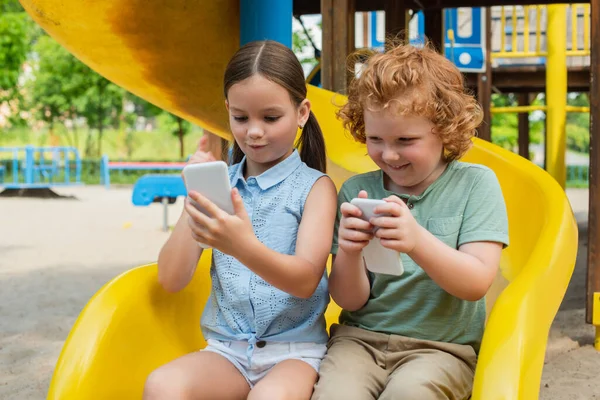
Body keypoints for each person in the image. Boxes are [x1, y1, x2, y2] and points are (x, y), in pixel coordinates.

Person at [311, 40, 510, 400]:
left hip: (441, 350)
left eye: (406, 139)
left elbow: (477, 282)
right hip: (359, 343)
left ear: (446, 130)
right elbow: (348, 300)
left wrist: (416, 240)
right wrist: (352, 253)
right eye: (375, 138)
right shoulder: (358, 190)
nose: (388, 154)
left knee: (409, 395)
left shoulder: (476, 184)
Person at [143, 40, 337, 400]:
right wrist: (195, 203)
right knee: (162, 385)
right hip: (227, 351)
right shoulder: (222, 184)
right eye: (241, 117)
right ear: (228, 111)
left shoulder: (315, 188)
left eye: (271, 117)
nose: (254, 131)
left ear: (302, 113)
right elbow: (171, 279)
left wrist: (241, 246)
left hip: (295, 354)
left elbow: (305, 281)